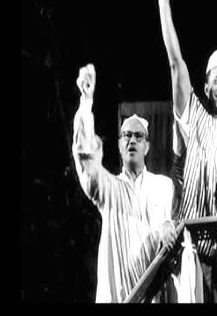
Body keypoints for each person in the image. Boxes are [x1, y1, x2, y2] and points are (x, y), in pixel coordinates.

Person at [155, 0, 217, 303]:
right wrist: (164, 1)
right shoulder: (193, 116)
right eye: (216, 81)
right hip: (188, 254)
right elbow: (176, 64)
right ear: (206, 87)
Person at [71, 64, 177, 303]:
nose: (132, 140)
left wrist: (170, 225)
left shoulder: (164, 186)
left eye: (138, 136)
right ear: (119, 146)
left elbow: (171, 226)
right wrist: (86, 103)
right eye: (126, 135)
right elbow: (86, 161)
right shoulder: (110, 189)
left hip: (154, 294)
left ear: (147, 146)